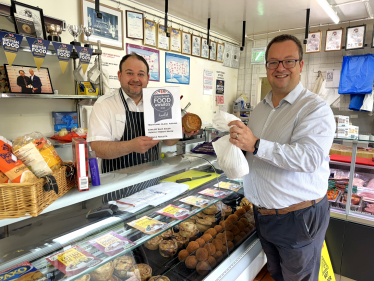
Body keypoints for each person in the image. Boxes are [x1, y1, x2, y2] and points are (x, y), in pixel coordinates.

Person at [228, 34, 335, 281]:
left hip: (298, 218)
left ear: (300, 65)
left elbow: (308, 159)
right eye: (273, 62)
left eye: (288, 61)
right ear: (266, 67)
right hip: (263, 216)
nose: (280, 68)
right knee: (277, 275)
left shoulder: (315, 109)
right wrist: (233, 145)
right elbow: (254, 154)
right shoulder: (260, 108)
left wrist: (254, 144)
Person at [88, 52, 198, 174]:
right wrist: (130, 146)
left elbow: (168, 141)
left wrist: (179, 130)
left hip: (151, 182)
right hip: (116, 186)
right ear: (119, 75)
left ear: (147, 78)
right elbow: (97, 149)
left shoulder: (158, 102)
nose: (135, 79)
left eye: (141, 74)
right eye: (129, 73)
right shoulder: (104, 104)